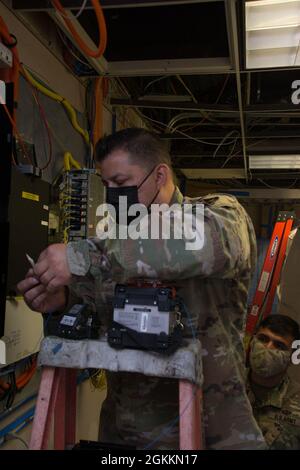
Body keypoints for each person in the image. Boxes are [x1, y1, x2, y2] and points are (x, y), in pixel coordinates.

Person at [17, 128, 265, 449]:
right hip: (124, 432)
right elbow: (105, 304)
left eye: (120, 183)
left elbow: (208, 246)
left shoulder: (216, 212)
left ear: (159, 175)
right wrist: (62, 299)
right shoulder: (122, 242)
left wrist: (82, 256)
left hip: (204, 430)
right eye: (106, 185)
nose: (112, 195)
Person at [247, 314, 300, 449]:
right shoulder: (225, 384)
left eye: (279, 345)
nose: (268, 347)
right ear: (252, 341)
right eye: (263, 339)